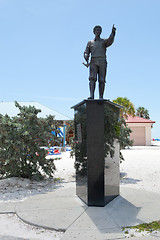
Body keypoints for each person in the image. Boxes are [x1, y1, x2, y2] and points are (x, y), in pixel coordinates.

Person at [84, 25, 116, 99]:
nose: (98, 31)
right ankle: (91, 95)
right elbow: (86, 51)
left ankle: (101, 96)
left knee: (102, 80)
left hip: (102, 61)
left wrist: (113, 32)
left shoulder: (103, 41)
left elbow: (110, 40)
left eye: (99, 30)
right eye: (97, 30)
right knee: (92, 78)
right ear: (94, 32)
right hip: (93, 61)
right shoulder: (90, 42)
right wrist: (86, 55)